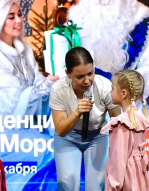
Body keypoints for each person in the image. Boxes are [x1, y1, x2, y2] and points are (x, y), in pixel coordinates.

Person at [67, 0, 149, 181]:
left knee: (146, 177)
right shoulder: (74, 26)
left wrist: (124, 89)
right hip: (86, 111)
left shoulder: (144, 25)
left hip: (130, 108)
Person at [0, 0, 58, 190]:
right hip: (4, 134)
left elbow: (39, 84)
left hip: (28, 128)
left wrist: (55, 83)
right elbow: (11, 104)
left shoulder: (25, 51)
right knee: (47, 149)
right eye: (10, 16)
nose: (18, 20)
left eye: (19, 14)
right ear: (0, 21)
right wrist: (46, 85)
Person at [49, 47, 121, 191]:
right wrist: (77, 112)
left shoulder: (105, 86)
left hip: (98, 136)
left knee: (97, 187)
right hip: (68, 138)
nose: (87, 81)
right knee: (67, 185)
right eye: (80, 77)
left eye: (90, 73)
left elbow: (117, 122)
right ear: (68, 74)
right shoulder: (58, 89)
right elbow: (61, 130)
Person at [101, 70, 149, 190]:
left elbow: (118, 158)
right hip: (139, 178)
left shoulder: (121, 123)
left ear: (123, 93)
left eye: (112, 88)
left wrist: (114, 185)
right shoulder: (139, 117)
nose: (110, 92)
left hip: (126, 180)